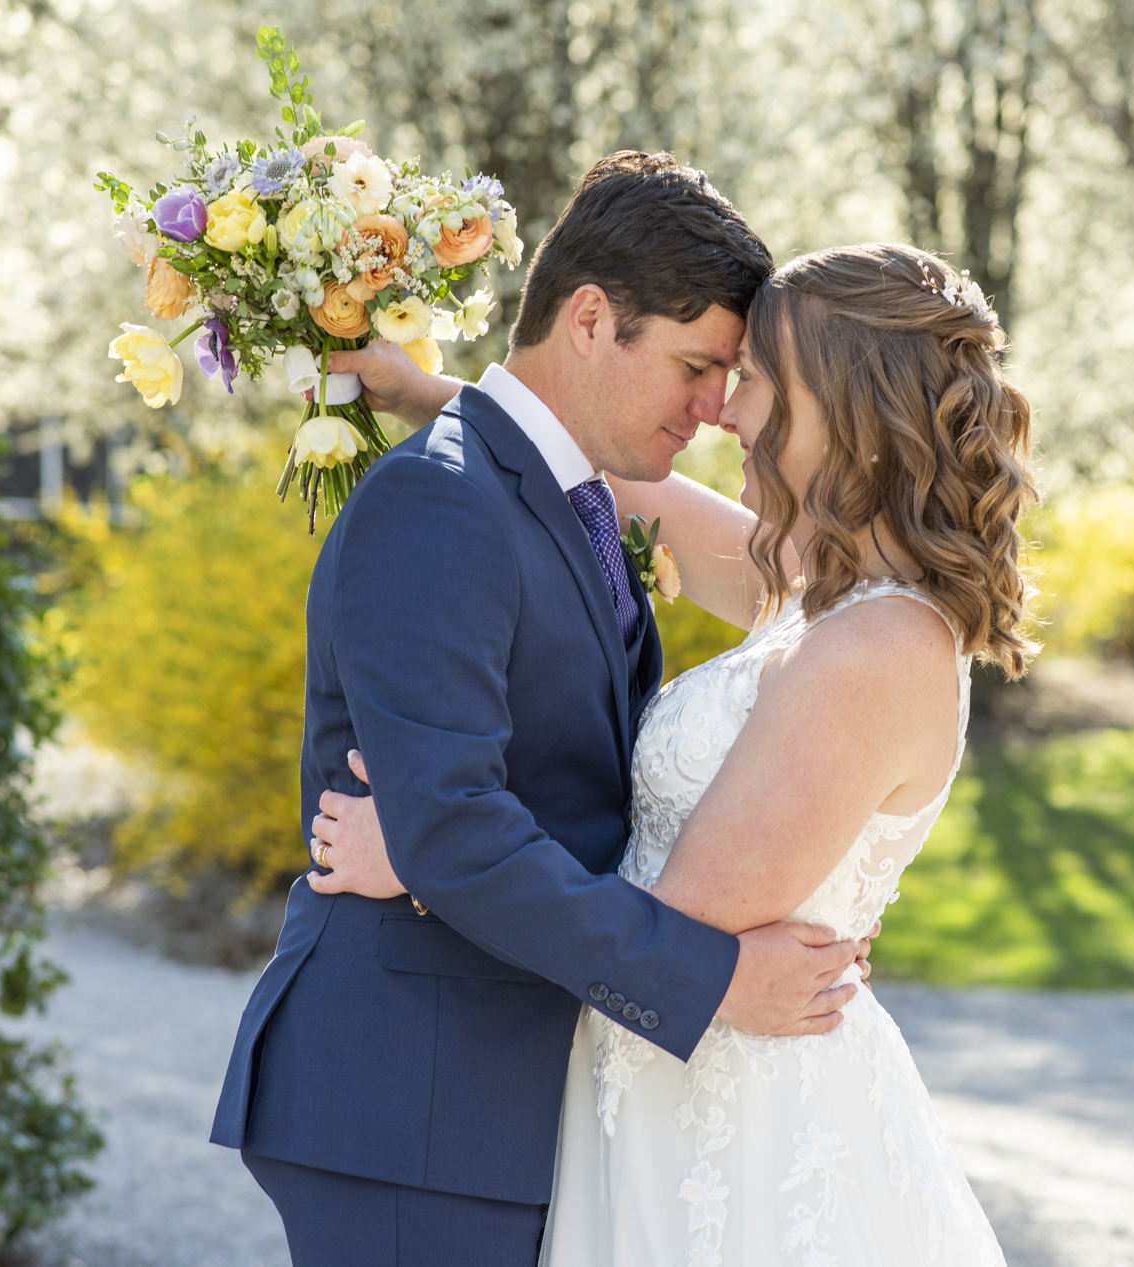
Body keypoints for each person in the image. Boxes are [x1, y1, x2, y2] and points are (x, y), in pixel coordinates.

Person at [312, 241, 1038, 1265]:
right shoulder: (822, 581)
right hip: (668, 1086)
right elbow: (585, 486)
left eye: (753, 382)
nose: (724, 412)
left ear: (847, 407)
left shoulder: (877, 646)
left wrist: (429, 851)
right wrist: (425, 393)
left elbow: (679, 918)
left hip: (748, 1129)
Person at [209, 152, 872, 1267]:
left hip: (493, 1097)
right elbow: (459, 826)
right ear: (589, 317)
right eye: (696, 367)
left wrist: (422, 849)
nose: (715, 411)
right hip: (415, 1106)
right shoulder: (437, 502)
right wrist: (715, 979)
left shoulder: (562, 488)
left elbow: (506, 815)